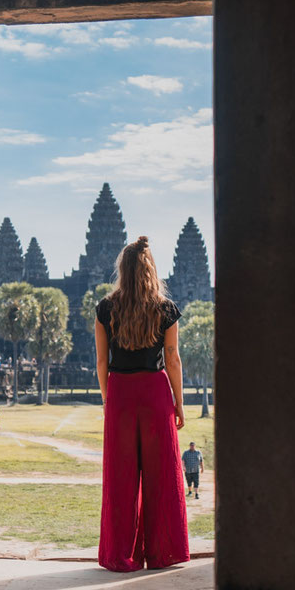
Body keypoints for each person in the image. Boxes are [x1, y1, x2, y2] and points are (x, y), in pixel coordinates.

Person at [95, 236, 189, 572]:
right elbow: (173, 358)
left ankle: (121, 555)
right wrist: (179, 403)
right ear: (151, 271)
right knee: (161, 474)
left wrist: (110, 400)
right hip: (155, 391)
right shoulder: (165, 309)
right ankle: (165, 552)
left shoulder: (106, 308)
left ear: (122, 270)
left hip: (120, 390)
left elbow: (102, 363)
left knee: (120, 478)